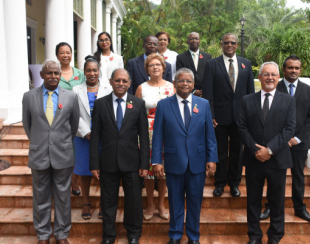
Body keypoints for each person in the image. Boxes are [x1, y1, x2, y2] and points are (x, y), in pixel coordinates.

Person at [152, 68, 218, 244]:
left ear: (193, 84)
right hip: (174, 162)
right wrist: (157, 161)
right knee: (175, 202)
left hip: (197, 162)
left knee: (195, 202)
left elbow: (209, 135)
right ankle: (175, 235)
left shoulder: (203, 104)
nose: (185, 84)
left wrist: (212, 159)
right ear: (174, 83)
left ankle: (193, 236)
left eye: (188, 81)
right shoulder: (164, 105)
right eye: (181, 80)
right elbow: (158, 136)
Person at [22, 59, 80, 244]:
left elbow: (74, 125)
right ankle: (43, 235)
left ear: (60, 75)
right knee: (40, 197)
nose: (53, 76)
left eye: (56, 73)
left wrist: (60, 142)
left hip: (63, 154)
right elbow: (27, 125)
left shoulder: (70, 97)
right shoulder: (29, 96)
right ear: (41, 75)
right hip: (39, 154)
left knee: (63, 198)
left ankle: (62, 234)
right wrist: (41, 142)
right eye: (49, 73)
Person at [237, 62, 296, 244]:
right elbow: (241, 127)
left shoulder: (288, 101)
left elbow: (289, 128)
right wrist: (257, 150)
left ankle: (275, 236)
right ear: (260, 78)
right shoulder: (247, 100)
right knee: (253, 200)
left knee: (277, 200)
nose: (270, 77)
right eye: (266, 74)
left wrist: (269, 150)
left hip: (277, 159)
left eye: (273, 74)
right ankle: (254, 236)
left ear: (278, 78)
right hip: (254, 159)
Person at [89, 68, 149, 244]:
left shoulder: (138, 104)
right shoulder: (100, 104)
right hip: (107, 162)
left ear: (130, 83)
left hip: (132, 162)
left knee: (134, 202)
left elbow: (144, 136)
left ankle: (133, 234)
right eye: (117, 80)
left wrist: (144, 163)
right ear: (111, 81)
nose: (121, 84)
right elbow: (96, 136)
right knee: (107, 202)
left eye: (124, 81)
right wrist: (94, 163)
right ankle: (108, 236)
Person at [260, 55, 310, 222]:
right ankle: (270, 206)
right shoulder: (273, 88)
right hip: (277, 142)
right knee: (274, 177)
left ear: (300, 70)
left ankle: (299, 208)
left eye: (297, 68)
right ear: (283, 70)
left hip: (299, 143)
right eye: (290, 68)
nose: (294, 71)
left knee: (298, 176)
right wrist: (282, 139)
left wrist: (298, 138)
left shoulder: (309, 91)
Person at [202, 33, 255, 198]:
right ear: (221, 44)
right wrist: (210, 115)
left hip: (240, 118)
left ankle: (234, 183)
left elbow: (250, 94)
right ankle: (219, 184)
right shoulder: (211, 65)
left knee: (237, 152)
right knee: (220, 152)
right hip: (219, 117)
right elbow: (208, 94)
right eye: (226, 42)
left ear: (237, 44)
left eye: (232, 42)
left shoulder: (246, 64)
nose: (229, 45)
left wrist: (250, 116)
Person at [135, 53, 175, 221]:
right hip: (147, 132)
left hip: (167, 133)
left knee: (164, 170)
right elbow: (136, 114)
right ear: (147, 69)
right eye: (152, 65)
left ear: (164, 68)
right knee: (149, 171)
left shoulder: (171, 87)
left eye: (158, 64)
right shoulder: (141, 88)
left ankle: (161, 203)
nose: (155, 67)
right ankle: (150, 203)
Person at [72, 56, 108, 220]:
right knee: (84, 171)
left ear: (99, 71)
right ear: (84, 72)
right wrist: (86, 131)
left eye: (95, 70)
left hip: (104, 137)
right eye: (88, 70)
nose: (92, 73)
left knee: (104, 171)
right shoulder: (75, 90)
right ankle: (86, 202)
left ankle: (103, 203)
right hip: (82, 137)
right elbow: (73, 114)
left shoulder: (108, 88)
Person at [56, 41, 85, 197]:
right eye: (62, 52)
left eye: (68, 52)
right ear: (57, 56)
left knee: (76, 153)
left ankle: (75, 183)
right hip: (59, 119)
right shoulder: (54, 73)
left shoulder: (79, 74)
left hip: (77, 118)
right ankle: (62, 184)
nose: (65, 55)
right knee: (61, 153)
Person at [176, 32, 212, 97]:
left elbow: (210, 76)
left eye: (196, 39)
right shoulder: (181, 58)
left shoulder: (208, 57)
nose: (194, 41)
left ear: (199, 41)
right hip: (187, 93)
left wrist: (204, 90)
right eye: (191, 39)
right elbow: (180, 76)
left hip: (205, 93)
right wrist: (193, 91)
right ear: (187, 41)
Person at [93, 32, 124, 97]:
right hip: (98, 89)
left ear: (110, 41)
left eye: (106, 39)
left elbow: (121, 75)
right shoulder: (94, 58)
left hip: (114, 89)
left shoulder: (118, 58)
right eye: (101, 40)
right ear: (98, 43)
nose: (104, 42)